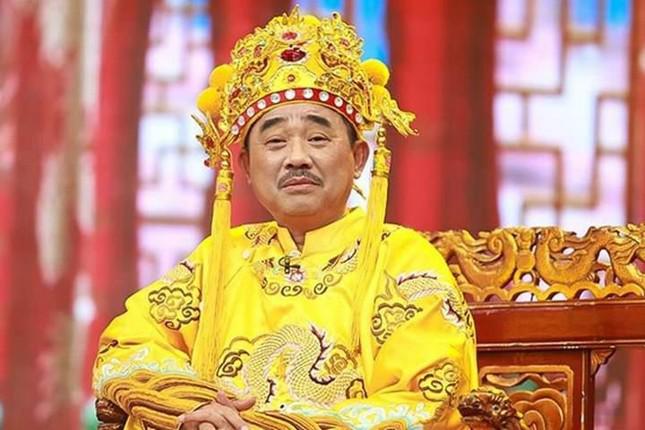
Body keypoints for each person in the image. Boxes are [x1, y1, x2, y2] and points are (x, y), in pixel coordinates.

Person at [93, 7, 477, 430]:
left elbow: (427, 398)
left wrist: (265, 426)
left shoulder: (404, 262)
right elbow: (125, 349)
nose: (297, 157)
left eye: (318, 138)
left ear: (357, 157)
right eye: (275, 141)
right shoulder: (220, 259)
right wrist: (196, 408)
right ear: (245, 166)